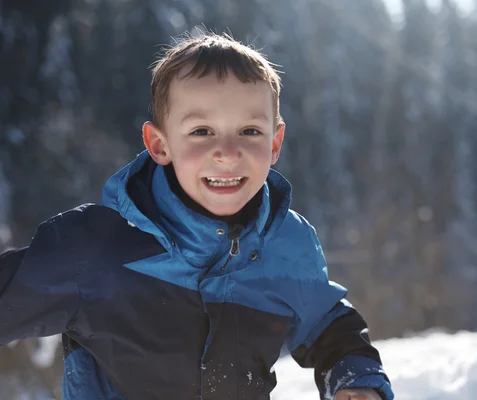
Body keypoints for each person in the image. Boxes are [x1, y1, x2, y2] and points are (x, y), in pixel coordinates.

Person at [0, 32, 394, 400]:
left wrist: (356, 382)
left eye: (249, 132)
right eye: (202, 131)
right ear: (160, 143)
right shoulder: (92, 249)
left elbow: (328, 326)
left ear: (275, 144)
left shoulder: (285, 245)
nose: (227, 152)